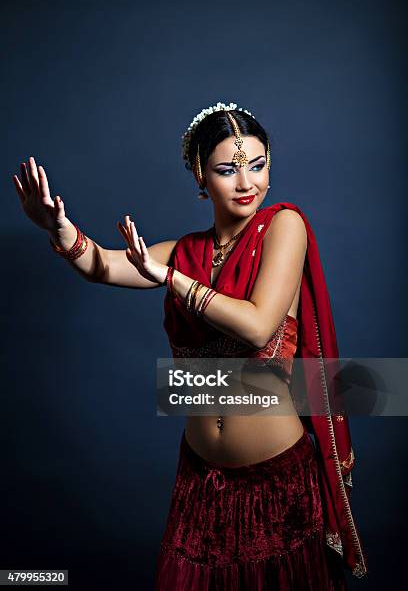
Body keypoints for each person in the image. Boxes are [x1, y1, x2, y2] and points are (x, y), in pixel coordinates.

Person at [11, 101, 367, 590]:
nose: (247, 183)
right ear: (201, 175)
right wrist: (57, 228)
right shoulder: (185, 252)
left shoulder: (284, 227)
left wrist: (171, 280)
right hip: (199, 481)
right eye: (227, 170)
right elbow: (102, 265)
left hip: (276, 483)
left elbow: (260, 326)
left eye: (258, 165)